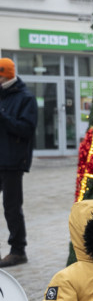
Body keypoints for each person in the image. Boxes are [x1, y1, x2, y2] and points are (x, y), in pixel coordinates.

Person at [0, 57, 37, 268]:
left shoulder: (25, 98)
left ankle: (18, 250)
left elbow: (26, 129)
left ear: (5, 75)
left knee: (11, 208)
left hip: (13, 161)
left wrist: (2, 117)